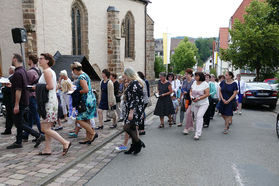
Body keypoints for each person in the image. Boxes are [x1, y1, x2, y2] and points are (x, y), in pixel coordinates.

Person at [6, 54, 43, 149]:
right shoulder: (23, 71)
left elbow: (19, 90)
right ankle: (18, 142)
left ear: (15, 59)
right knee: (19, 121)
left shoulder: (18, 73)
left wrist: (16, 105)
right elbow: (22, 86)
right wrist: (11, 86)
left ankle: (37, 135)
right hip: (25, 99)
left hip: (20, 101)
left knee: (19, 123)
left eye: (12, 59)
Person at [36, 53, 71, 155]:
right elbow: (54, 87)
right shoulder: (50, 71)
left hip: (48, 103)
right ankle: (47, 149)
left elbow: (51, 86)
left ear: (47, 61)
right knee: (47, 128)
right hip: (51, 101)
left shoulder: (47, 71)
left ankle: (65, 142)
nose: (39, 60)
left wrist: (36, 87)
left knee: (44, 128)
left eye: (41, 58)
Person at [71, 62, 98, 144]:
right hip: (90, 99)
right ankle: (88, 137)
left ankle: (93, 133)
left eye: (73, 71)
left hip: (85, 101)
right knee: (87, 119)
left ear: (75, 70)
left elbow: (85, 89)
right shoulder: (85, 74)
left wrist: (77, 92)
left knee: (79, 119)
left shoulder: (81, 77)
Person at [122, 67, 145, 155]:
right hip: (133, 109)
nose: (124, 77)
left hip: (134, 110)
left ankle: (138, 143)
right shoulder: (133, 83)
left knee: (127, 127)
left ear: (128, 74)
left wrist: (131, 112)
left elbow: (135, 99)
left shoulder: (135, 83)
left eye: (125, 75)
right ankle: (134, 146)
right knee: (132, 128)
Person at [22, 55, 44, 142]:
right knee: (31, 116)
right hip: (36, 95)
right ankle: (26, 134)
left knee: (35, 115)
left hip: (31, 95)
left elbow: (26, 84)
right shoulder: (38, 70)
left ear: (30, 60)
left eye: (28, 59)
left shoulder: (30, 72)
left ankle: (41, 134)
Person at [190, 72, 210, 140]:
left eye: (196, 76)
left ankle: (197, 133)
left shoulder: (205, 84)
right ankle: (199, 129)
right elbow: (191, 91)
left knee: (199, 116)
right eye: (195, 76)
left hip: (203, 103)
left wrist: (198, 98)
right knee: (197, 117)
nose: (195, 77)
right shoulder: (194, 83)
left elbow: (207, 94)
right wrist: (191, 96)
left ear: (200, 76)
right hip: (195, 103)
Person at [1, 66, 15, 135]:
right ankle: (8, 129)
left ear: (12, 70)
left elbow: (9, 89)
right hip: (8, 100)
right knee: (9, 115)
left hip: (10, 99)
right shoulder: (10, 77)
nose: (8, 70)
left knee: (10, 115)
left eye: (9, 69)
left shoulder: (12, 78)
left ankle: (8, 129)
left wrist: (3, 88)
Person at [137, 71, 150, 135]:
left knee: (141, 114)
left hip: (143, 101)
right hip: (141, 101)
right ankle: (140, 128)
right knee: (140, 114)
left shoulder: (142, 82)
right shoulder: (138, 82)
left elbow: (144, 92)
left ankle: (141, 129)